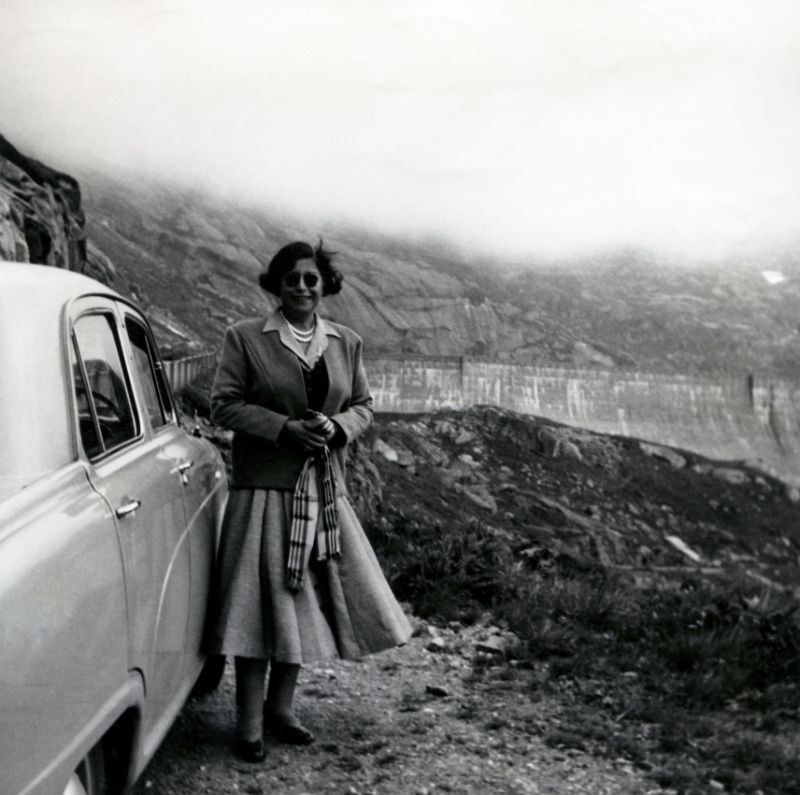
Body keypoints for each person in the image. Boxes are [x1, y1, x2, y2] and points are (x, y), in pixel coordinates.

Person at [206, 239, 412, 763]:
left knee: (304, 604)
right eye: (292, 278)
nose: (301, 286)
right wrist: (283, 429)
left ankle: (282, 710)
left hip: (323, 494)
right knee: (258, 609)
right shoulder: (246, 337)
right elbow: (223, 405)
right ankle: (248, 724)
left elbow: (364, 405)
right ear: (276, 284)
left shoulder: (346, 342)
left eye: (311, 279)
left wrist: (337, 427)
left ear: (325, 287)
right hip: (264, 494)